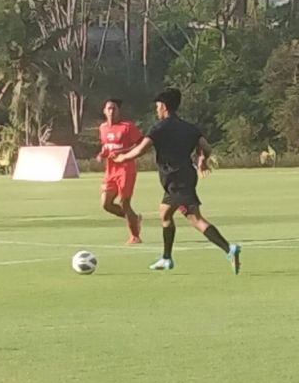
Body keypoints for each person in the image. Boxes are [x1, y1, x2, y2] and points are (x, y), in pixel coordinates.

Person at [115, 88, 241, 273]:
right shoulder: (189, 128)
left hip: (177, 180)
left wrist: (122, 158)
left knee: (195, 219)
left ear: (164, 107)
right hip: (181, 178)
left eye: (157, 106)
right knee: (165, 214)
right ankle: (166, 258)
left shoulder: (158, 128)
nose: (156, 110)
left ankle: (228, 248)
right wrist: (202, 160)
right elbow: (206, 147)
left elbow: (141, 150)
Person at [98, 98, 143, 244]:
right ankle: (134, 219)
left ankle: (135, 236)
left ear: (118, 111)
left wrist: (123, 152)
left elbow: (141, 144)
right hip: (110, 171)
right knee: (106, 204)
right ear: (104, 111)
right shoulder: (102, 128)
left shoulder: (127, 126)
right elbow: (106, 146)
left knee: (124, 203)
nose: (111, 111)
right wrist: (101, 154)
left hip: (126, 169)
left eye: (114, 108)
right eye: (109, 108)